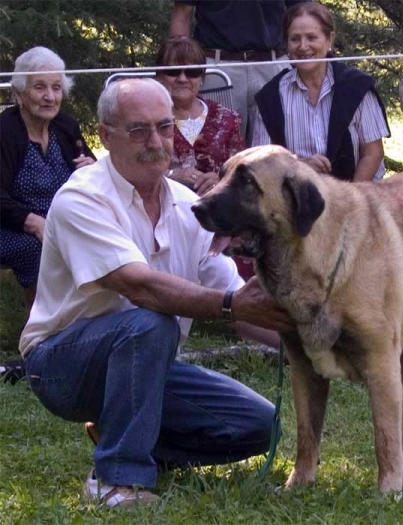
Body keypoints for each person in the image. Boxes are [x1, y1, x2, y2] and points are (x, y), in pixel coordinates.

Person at [19, 78, 293, 508]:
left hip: (148, 362)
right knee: (150, 321)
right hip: (59, 366)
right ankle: (115, 479)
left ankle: (132, 438)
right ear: (105, 136)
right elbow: (139, 287)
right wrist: (230, 305)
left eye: (164, 128)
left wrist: (308, 343)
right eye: (138, 130)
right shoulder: (81, 198)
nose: (156, 142)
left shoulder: (186, 205)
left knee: (261, 424)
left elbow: (236, 299)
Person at [0, 46, 95, 311]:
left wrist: (91, 168)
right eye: (39, 87)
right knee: (37, 250)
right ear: (18, 94)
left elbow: (95, 173)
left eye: (56, 87)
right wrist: (33, 223)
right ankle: (42, 328)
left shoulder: (65, 126)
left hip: (58, 221)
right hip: (11, 226)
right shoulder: (5, 131)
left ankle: (94, 316)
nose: (50, 97)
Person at [252, 2, 391, 182]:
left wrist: (351, 199)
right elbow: (261, 162)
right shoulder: (270, 97)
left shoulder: (357, 87)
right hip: (295, 199)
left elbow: (373, 153)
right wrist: (298, 165)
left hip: (356, 195)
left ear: (329, 40)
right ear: (286, 43)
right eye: (295, 39)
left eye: (311, 37)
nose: (303, 46)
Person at [169, 0, 310, 143]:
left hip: (273, 66)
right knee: (213, 149)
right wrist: (180, 69)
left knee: (277, 152)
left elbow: (302, 10)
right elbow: (183, 12)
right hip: (217, 70)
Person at [155, 35, 246, 195]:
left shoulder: (227, 118)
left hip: (217, 206)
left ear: (202, 77)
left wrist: (221, 179)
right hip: (165, 204)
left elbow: (243, 169)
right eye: (173, 71)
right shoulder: (149, 119)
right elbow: (131, 167)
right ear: (160, 76)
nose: (183, 79)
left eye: (192, 72)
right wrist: (170, 175)